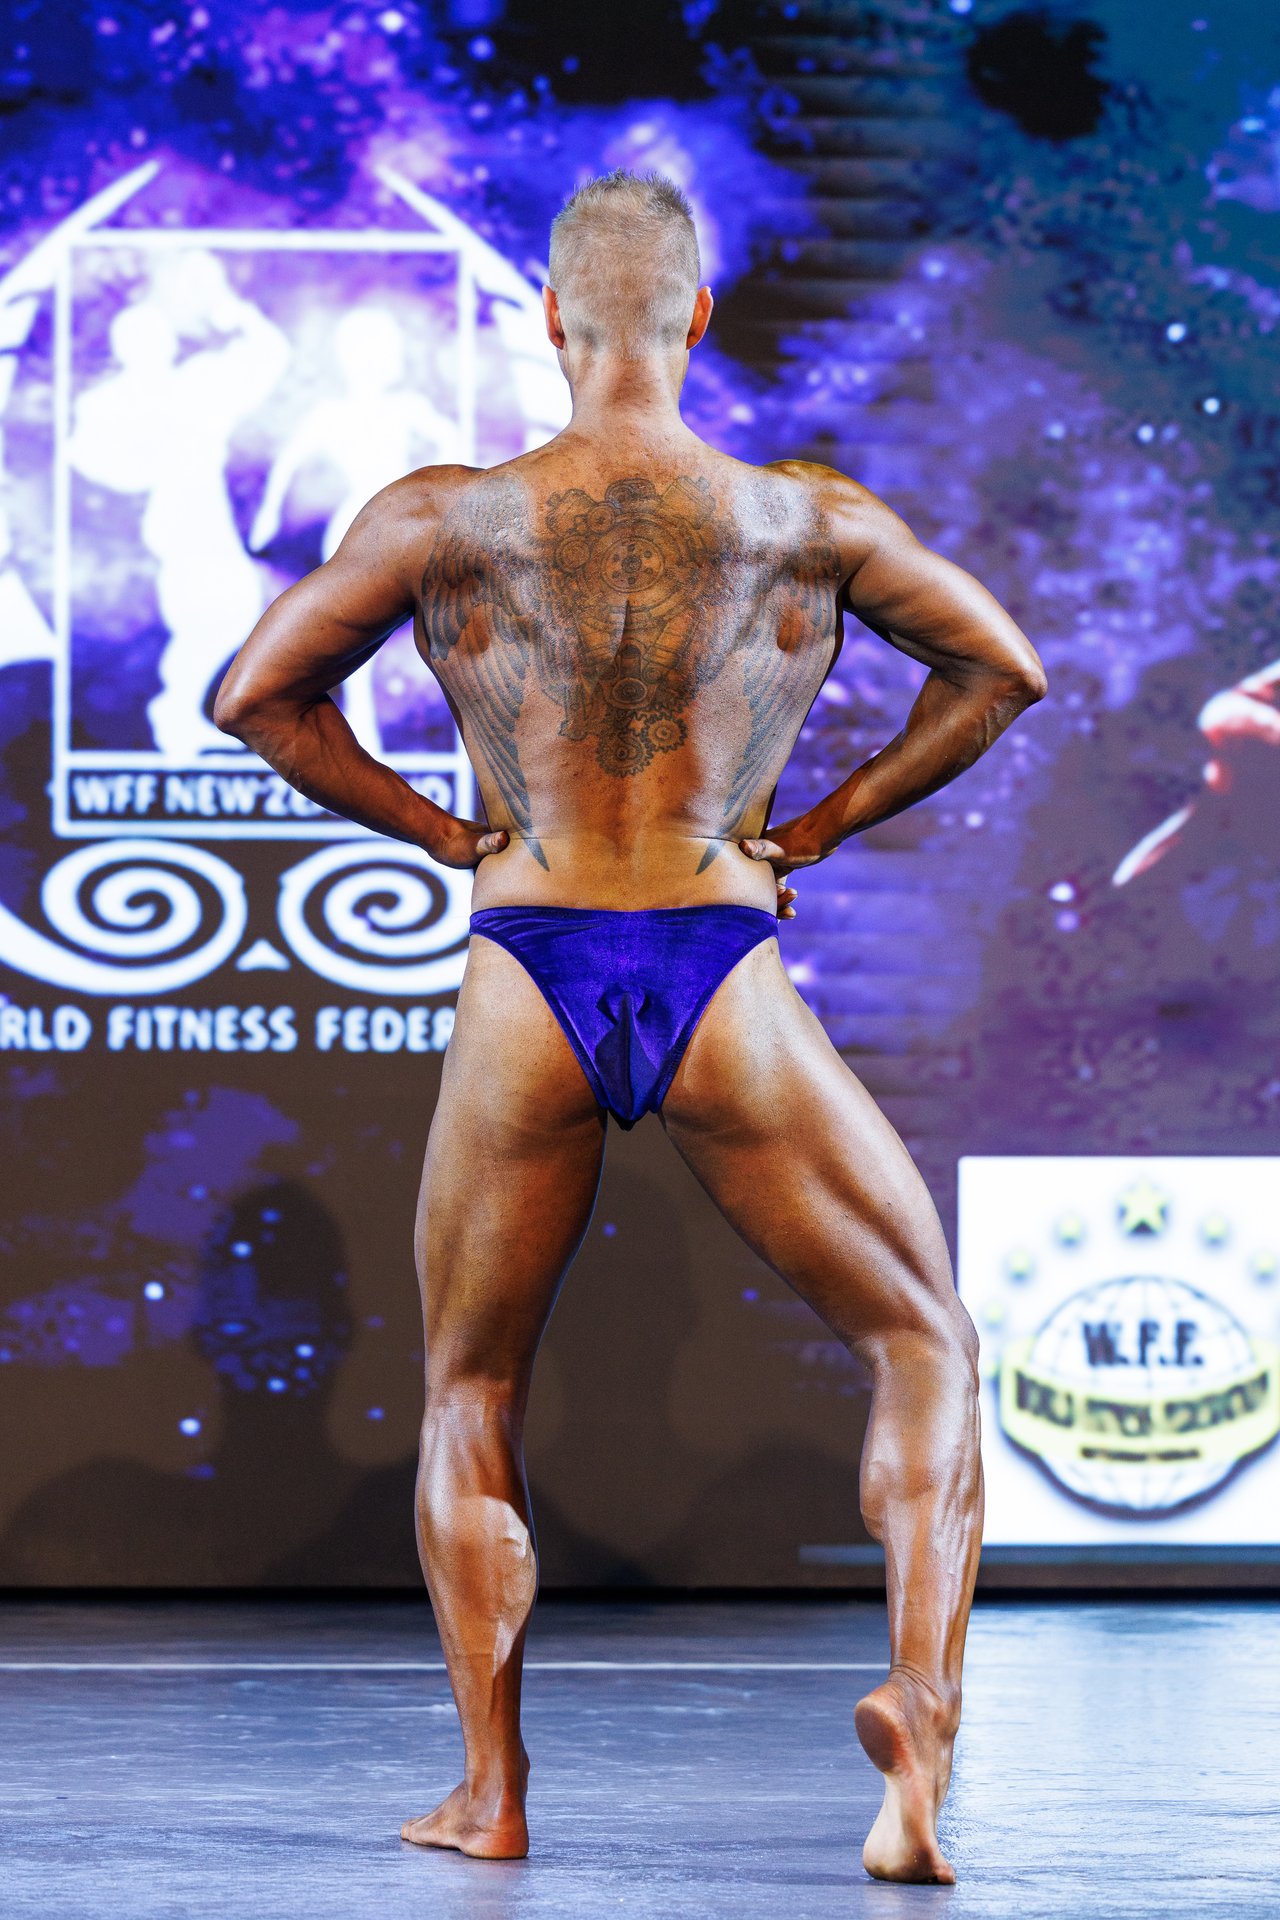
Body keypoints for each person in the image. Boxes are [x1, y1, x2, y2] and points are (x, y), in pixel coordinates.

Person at [215, 169, 1046, 1885]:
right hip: (719, 960)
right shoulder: (802, 520)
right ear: (698, 317)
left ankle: (491, 1792)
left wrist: (441, 831)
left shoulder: (446, 518)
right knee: (923, 1340)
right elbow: (1000, 672)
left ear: (549, 317)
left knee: (470, 1384)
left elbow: (258, 697)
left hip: (525, 965)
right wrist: (819, 827)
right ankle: (921, 1718)